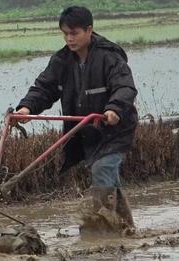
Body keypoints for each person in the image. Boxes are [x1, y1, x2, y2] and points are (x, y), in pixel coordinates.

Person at [15, 6, 137, 233]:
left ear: (89, 30)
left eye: (74, 33)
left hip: (115, 130)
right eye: (65, 33)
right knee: (108, 176)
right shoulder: (61, 60)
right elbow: (44, 88)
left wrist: (114, 109)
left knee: (102, 169)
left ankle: (103, 233)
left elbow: (125, 87)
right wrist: (26, 108)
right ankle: (126, 228)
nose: (69, 38)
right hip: (87, 130)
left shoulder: (109, 56)